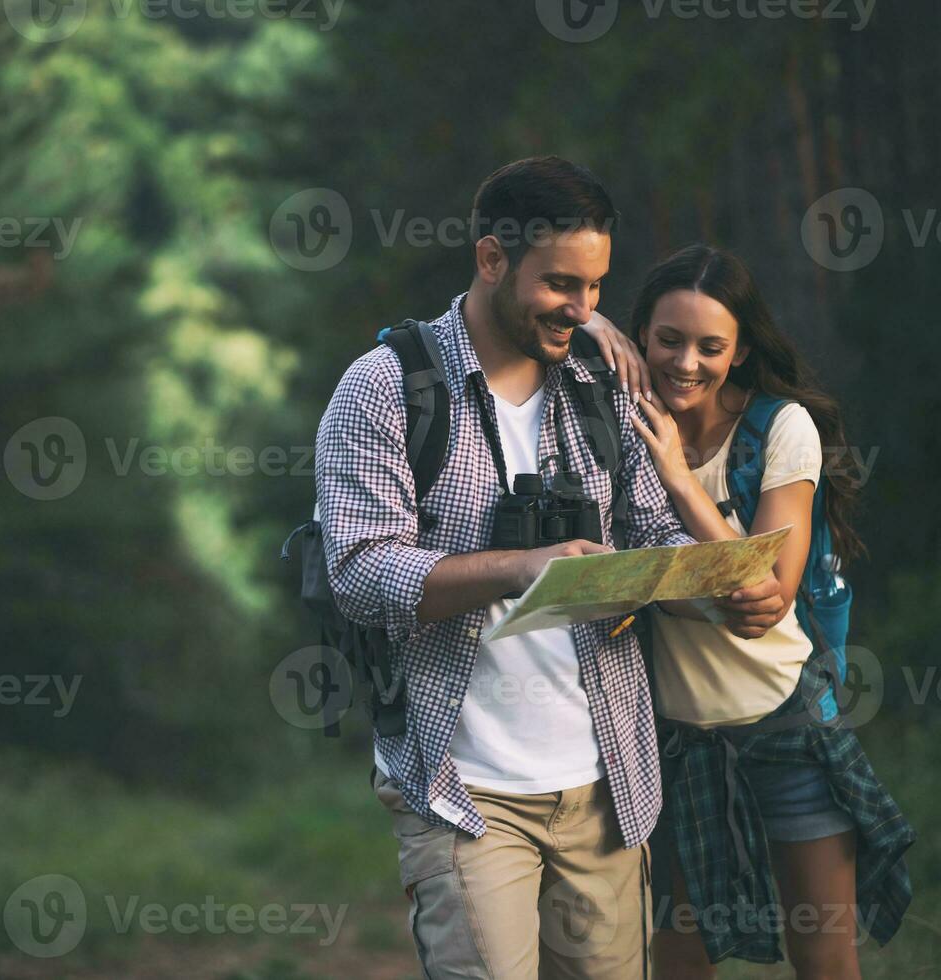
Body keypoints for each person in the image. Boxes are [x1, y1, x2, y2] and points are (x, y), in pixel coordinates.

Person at [313, 159, 787, 980]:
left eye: (597, 287)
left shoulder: (601, 384)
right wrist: (521, 567)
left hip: (609, 782)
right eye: (562, 284)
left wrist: (708, 583)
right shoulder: (387, 390)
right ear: (492, 259)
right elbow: (359, 570)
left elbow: (646, 529)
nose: (584, 308)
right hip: (463, 793)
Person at [579, 244, 914, 979]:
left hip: (786, 725)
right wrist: (592, 323)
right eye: (667, 340)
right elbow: (522, 293)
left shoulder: (779, 428)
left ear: (740, 351)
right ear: (640, 338)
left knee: (824, 957)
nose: (686, 363)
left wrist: (681, 480)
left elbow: (765, 594)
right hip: (673, 742)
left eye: (711, 347)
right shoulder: (607, 422)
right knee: (679, 959)